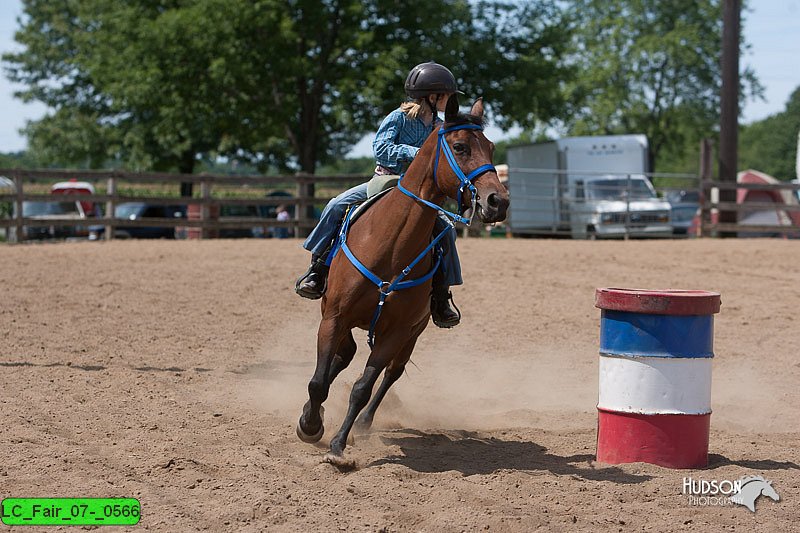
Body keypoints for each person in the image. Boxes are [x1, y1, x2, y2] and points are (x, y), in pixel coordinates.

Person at [295, 61, 464, 328]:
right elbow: (382, 149)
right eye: (447, 96)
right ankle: (318, 269)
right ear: (432, 97)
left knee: (446, 230)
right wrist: (418, 155)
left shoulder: (441, 127)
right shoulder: (398, 118)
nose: (450, 100)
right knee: (337, 204)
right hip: (385, 181)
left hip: (420, 193)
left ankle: (441, 296)